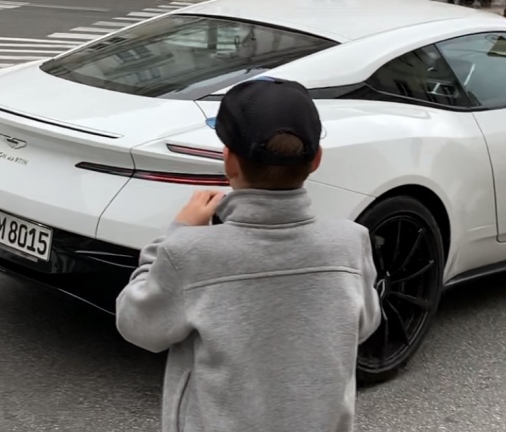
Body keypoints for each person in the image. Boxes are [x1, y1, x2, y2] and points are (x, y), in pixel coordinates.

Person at [115, 77, 382, 432]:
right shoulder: (351, 242)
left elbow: (138, 325)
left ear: (229, 161)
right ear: (316, 159)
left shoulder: (190, 253)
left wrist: (177, 233)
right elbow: (363, 326)